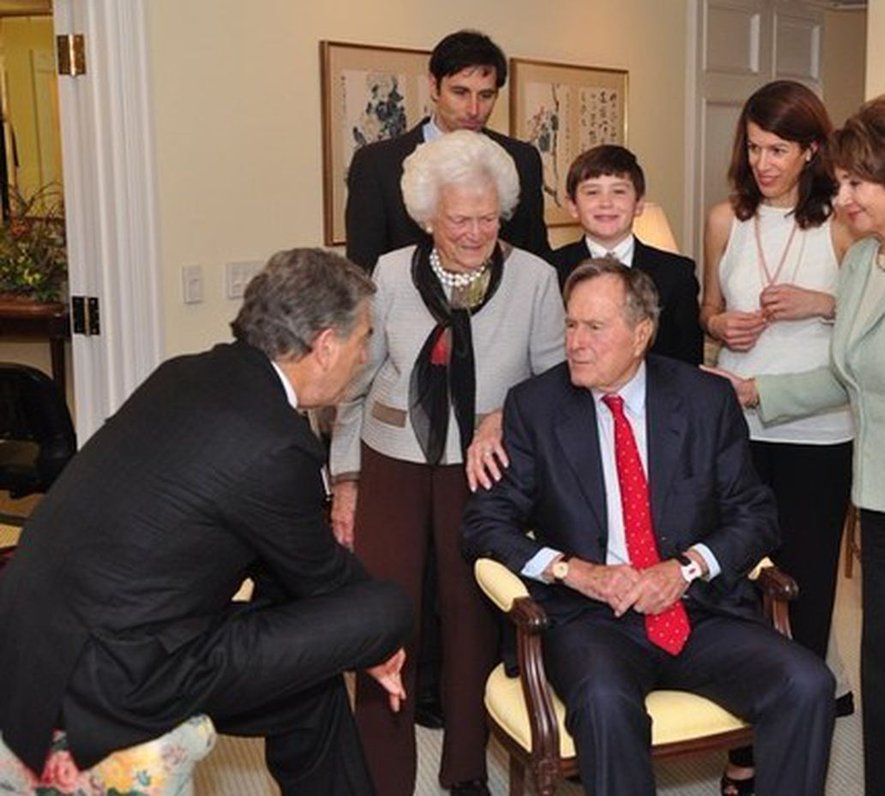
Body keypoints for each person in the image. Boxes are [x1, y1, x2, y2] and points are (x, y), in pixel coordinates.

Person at [0, 248, 411, 795]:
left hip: (37, 641)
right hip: (114, 678)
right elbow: (324, 578)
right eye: (362, 341)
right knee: (384, 607)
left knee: (310, 688)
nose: (364, 357)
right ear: (325, 346)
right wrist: (378, 642)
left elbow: (284, 566)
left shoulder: (186, 374)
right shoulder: (271, 443)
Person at [462, 259, 835, 796]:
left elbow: (757, 514)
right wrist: (574, 571)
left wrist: (686, 568)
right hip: (592, 620)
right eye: (570, 325)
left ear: (641, 335)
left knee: (806, 682)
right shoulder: (535, 407)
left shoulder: (704, 401)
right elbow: (484, 523)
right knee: (606, 703)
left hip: (699, 610)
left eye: (595, 328)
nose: (575, 342)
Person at [710, 93, 885, 796]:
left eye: (856, 181)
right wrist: (755, 392)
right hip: (877, 497)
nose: (843, 193)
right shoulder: (863, 265)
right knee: (884, 673)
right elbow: (844, 371)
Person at [330, 129, 564, 796]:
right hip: (391, 462)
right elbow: (354, 381)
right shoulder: (390, 272)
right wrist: (344, 480)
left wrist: (506, 416)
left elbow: (556, 388)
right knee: (385, 616)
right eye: (460, 219)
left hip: (485, 469)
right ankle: (381, 778)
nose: (475, 232)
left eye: (488, 218)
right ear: (428, 216)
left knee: (474, 620)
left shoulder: (535, 280)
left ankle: (466, 772)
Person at [701, 79, 853, 794]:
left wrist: (820, 304)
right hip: (737, 427)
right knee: (734, 583)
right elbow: (707, 307)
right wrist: (718, 326)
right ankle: (742, 745)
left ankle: (794, 736)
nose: (764, 163)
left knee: (807, 585)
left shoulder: (844, 224)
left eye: (779, 150)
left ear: (812, 150)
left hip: (819, 432)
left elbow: (867, 325)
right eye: (755, 148)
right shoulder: (724, 220)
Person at [345, 29, 550, 271]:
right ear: (434, 86)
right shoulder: (377, 164)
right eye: (460, 93)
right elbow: (362, 269)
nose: (474, 109)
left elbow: (535, 255)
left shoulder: (522, 159)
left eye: (486, 95)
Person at [549, 144, 703, 365]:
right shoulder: (548, 271)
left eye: (619, 192)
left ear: (639, 203)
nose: (606, 203)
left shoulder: (677, 274)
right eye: (592, 192)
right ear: (572, 205)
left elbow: (687, 363)